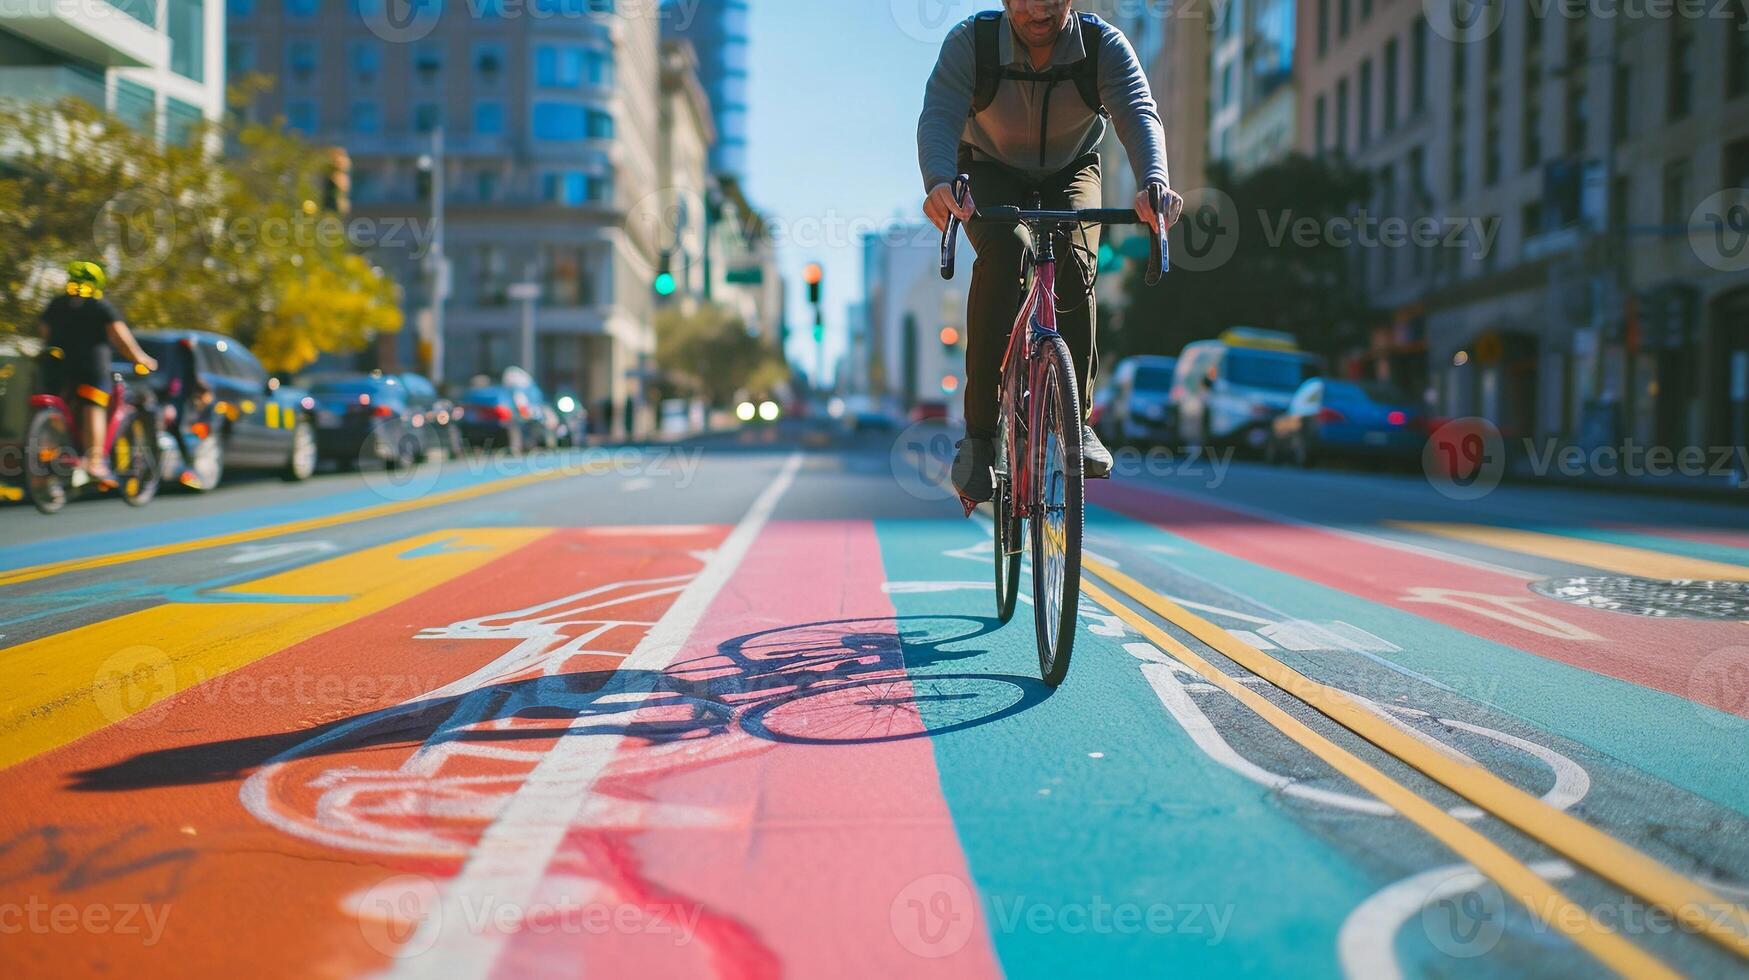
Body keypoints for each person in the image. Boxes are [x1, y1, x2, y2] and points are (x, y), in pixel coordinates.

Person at [917, 0, 1184, 503]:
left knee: (1075, 261)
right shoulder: (970, 43)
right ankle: (979, 438)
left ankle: (1076, 423)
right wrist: (938, 182)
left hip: (1072, 168)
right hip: (987, 167)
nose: (1038, 9)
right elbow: (938, 115)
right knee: (1004, 250)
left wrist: (1154, 182)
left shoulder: (1103, 46)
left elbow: (1139, 112)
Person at [36, 261, 157, 486]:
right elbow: (121, 338)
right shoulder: (99, 306)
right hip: (90, 366)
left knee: (56, 408)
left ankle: (43, 467)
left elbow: (44, 330)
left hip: (56, 365)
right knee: (94, 404)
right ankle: (94, 461)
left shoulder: (57, 303)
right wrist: (140, 359)